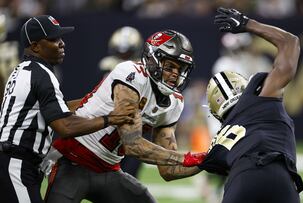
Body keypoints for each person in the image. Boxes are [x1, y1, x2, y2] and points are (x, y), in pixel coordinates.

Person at [43, 30, 205, 203]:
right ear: (152, 60)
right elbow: (132, 144)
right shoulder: (131, 73)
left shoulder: (174, 103)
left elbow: (169, 171)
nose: (175, 74)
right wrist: (186, 157)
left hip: (108, 170)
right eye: (170, 66)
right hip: (72, 161)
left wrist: (207, 160)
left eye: (181, 69)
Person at [0, 15, 136, 203]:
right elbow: (65, 126)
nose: (61, 43)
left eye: (60, 38)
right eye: (53, 39)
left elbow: (61, 107)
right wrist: (110, 118)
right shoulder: (42, 75)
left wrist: (105, 97)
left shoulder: (25, 70)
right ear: (36, 46)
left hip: (16, 161)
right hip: (16, 162)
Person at [198, 7, 303, 203]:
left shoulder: (219, 143)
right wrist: (249, 24)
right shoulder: (264, 95)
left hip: (241, 180)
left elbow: (178, 169)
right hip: (281, 177)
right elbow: (291, 42)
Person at [98, 26, 147, 177]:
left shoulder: (142, 67)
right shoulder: (109, 65)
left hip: (134, 122)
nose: (124, 56)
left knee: (130, 174)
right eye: (121, 52)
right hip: (111, 123)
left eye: (127, 52)